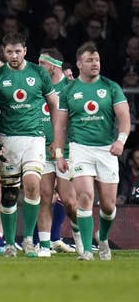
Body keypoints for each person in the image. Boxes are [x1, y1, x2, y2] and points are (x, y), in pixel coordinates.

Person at [55, 42, 131, 261]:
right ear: (79, 64)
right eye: (89, 60)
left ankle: (103, 238)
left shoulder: (110, 86)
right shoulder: (68, 90)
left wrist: (121, 141)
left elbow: (124, 117)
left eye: (96, 60)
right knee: (85, 196)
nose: (95, 64)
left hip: (107, 149)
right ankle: (87, 251)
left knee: (108, 205)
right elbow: (60, 125)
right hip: (80, 149)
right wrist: (60, 154)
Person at [0, 32, 59, 258]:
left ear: (25, 51)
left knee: (32, 184)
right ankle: (9, 243)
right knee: (8, 195)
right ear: (4, 52)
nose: (14, 55)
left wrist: (57, 137)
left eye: (18, 51)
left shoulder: (38, 73)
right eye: (9, 52)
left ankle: (28, 239)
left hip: (35, 138)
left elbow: (54, 105)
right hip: (8, 139)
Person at [37, 48, 82, 257]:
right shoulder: (37, 87)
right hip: (42, 151)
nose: (38, 68)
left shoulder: (71, 88)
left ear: (53, 66)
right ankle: (44, 245)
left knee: (69, 201)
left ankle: (78, 235)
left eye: (42, 64)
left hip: (65, 152)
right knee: (44, 196)